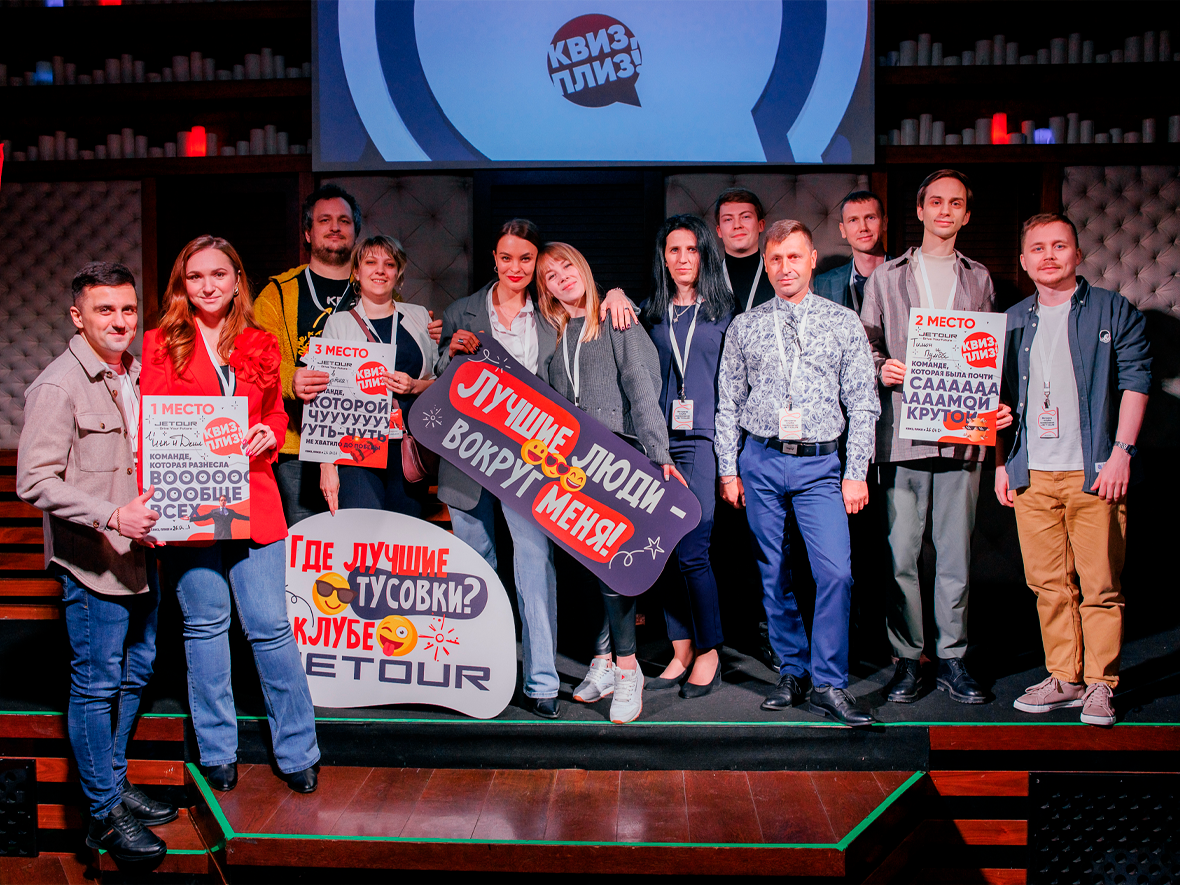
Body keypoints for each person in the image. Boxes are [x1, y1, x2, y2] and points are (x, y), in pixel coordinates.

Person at [142, 236, 320, 794]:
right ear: (182, 285)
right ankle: (218, 749)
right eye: (195, 277)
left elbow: (273, 415)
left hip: (255, 496)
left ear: (237, 280)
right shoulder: (159, 344)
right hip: (190, 502)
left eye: (219, 274)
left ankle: (298, 749)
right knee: (205, 624)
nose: (208, 286)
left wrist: (269, 432)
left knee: (270, 626)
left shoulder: (260, 342)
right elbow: (152, 426)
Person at [438, 220, 634, 720]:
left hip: (531, 461)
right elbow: (440, 379)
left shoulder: (551, 314)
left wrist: (615, 292)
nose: (516, 267)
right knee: (475, 569)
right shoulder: (461, 311)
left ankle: (542, 680)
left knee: (534, 565)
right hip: (468, 455)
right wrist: (450, 356)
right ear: (494, 258)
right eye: (507, 257)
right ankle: (478, 671)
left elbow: (591, 314)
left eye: (526, 259)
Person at [17, 262, 175, 866]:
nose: (119, 320)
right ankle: (103, 814)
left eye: (128, 309)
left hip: (140, 557)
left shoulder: (134, 373)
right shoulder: (59, 385)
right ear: (77, 317)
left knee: (137, 673)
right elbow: (34, 481)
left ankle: (113, 781)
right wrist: (112, 516)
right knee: (97, 685)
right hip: (92, 565)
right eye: (104, 310)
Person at [716, 220, 880, 726]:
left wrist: (856, 471)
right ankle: (793, 669)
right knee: (773, 572)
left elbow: (863, 402)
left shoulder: (843, 322)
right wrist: (728, 470)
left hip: (820, 465)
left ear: (811, 260)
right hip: (760, 460)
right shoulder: (745, 326)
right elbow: (728, 403)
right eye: (776, 259)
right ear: (766, 266)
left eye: (794, 257)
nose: (785, 267)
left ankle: (828, 683)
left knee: (835, 573)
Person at [860, 169, 1011, 706]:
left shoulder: (980, 278)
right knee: (901, 556)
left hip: (962, 435)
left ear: (966, 215)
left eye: (956, 203)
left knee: (955, 557)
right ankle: (907, 659)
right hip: (903, 434)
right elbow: (865, 346)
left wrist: (992, 404)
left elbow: (988, 355)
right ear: (920, 210)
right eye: (937, 202)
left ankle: (952, 658)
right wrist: (881, 368)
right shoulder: (886, 277)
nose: (945, 211)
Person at [996, 214, 1150, 727]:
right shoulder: (1011, 319)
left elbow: (1137, 381)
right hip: (1032, 473)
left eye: (1059, 246)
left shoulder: (1111, 308)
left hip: (1095, 470)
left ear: (1077, 254)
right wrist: (1003, 462)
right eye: (1038, 248)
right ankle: (1064, 677)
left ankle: (1101, 684)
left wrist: (1122, 452)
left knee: (1101, 585)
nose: (1049, 255)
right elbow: (999, 401)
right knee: (1047, 585)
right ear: (1024, 261)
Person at [539, 241, 685, 724]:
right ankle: (602, 660)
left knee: (613, 568)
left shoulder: (616, 319)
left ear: (582, 266)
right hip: (571, 470)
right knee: (586, 567)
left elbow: (643, 389)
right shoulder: (555, 334)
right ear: (546, 289)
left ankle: (628, 668)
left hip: (619, 464)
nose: (562, 278)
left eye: (566, 266)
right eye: (550, 275)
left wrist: (659, 454)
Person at [255, 184, 443, 527]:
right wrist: (291, 379)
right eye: (324, 220)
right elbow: (257, 363)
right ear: (308, 232)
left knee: (400, 542)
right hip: (313, 444)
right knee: (329, 543)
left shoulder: (413, 314)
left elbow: (435, 376)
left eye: (343, 220)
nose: (334, 227)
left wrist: (430, 358)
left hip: (401, 449)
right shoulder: (279, 294)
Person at [640, 215, 735, 698]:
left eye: (691, 249)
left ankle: (709, 651)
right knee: (662, 549)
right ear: (663, 257)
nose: (682, 259)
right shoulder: (649, 313)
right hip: (655, 443)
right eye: (673, 250)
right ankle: (680, 649)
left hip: (701, 440)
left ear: (705, 255)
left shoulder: (725, 313)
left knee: (694, 547)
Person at [314, 236, 438, 517]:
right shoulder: (338, 323)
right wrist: (326, 465)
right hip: (356, 448)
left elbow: (438, 382)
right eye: (371, 262)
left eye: (389, 264)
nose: (380, 270)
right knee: (362, 533)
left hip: (408, 448)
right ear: (357, 272)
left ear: (398, 273)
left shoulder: (419, 317)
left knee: (403, 537)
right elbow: (325, 398)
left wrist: (415, 385)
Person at [813, 190, 891, 313]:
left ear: (884, 223)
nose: (863, 228)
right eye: (853, 220)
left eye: (870, 218)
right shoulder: (824, 284)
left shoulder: (907, 275)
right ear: (842, 230)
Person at [715, 187, 776, 312]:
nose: (737, 225)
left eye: (745, 217)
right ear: (719, 231)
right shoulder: (706, 280)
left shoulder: (779, 277)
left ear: (761, 225)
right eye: (728, 219)